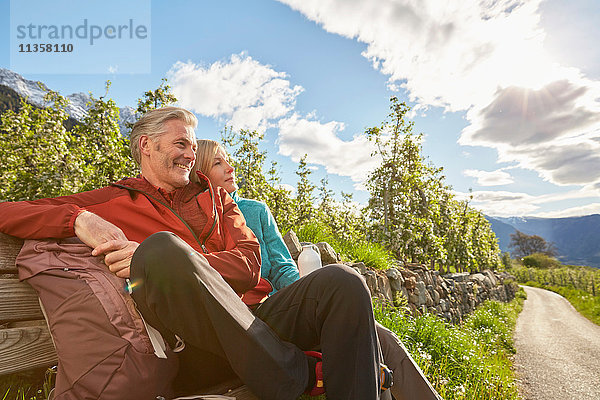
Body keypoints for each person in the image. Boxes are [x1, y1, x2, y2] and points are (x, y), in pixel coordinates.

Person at [0, 106, 387, 400]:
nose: (190, 153)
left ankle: (294, 372)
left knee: (343, 281)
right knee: (161, 251)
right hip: (185, 351)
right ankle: (298, 373)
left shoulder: (219, 199)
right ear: (147, 146)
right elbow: (10, 210)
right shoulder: (115, 199)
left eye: (192, 145)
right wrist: (80, 219)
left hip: (252, 324)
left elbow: (249, 264)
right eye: (180, 143)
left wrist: (185, 261)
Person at [193, 139, 443, 400]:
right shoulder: (196, 220)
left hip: (278, 311)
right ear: (199, 171)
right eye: (218, 163)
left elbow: (282, 267)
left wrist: (314, 306)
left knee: (379, 337)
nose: (231, 168)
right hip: (244, 321)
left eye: (228, 160)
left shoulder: (255, 211)